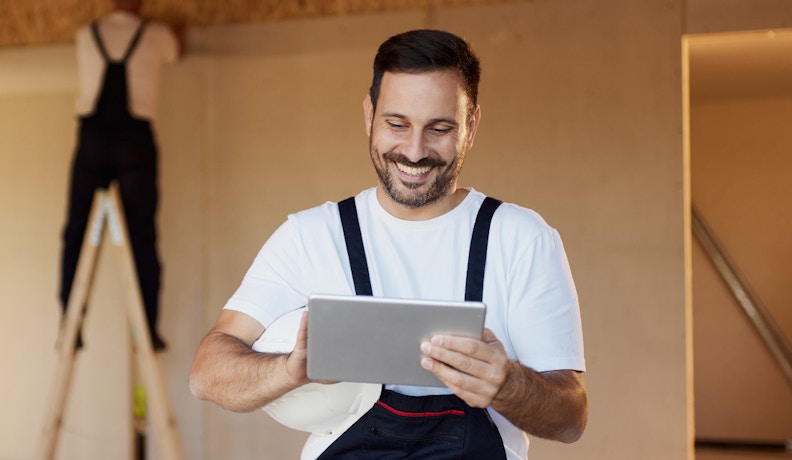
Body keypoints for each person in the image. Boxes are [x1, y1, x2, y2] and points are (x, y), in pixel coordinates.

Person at [190, 29, 587, 459]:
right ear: (369, 115)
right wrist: (288, 371)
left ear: (471, 127)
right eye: (397, 124)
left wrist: (508, 384)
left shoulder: (521, 239)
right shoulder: (312, 236)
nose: (414, 151)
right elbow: (207, 372)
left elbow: (571, 418)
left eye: (439, 128)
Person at [60, 0, 179, 351]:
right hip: (134, 143)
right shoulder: (157, 34)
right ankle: (148, 328)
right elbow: (176, 52)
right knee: (141, 234)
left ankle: (70, 324)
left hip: (92, 141)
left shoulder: (86, 34)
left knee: (75, 233)